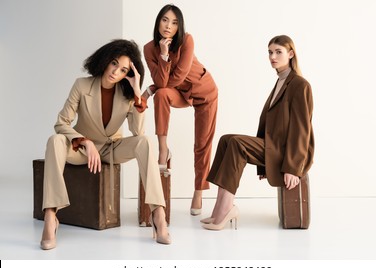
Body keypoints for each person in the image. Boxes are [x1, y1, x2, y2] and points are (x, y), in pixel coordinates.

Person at [40, 39, 171, 249]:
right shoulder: (81, 85)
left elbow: (138, 133)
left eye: (123, 70)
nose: (115, 72)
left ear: (128, 74)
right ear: (105, 60)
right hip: (83, 149)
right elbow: (61, 123)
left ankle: (158, 215)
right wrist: (84, 141)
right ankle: (50, 215)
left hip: (112, 149)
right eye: (114, 63)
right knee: (54, 140)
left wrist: (137, 92)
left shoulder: (128, 95)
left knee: (145, 142)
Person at [202, 35, 314, 230]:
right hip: (273, 146)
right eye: (270, 52)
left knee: (237, 144)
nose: (273, 56)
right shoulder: (280, 81)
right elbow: (268, 125)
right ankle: (219, 207)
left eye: (278, 52)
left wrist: (293, 167)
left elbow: (301, 129)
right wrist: (262, 166)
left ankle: (226, 209)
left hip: (286, 151)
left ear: (291, 54)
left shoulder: (299, 85)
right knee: (227, 140)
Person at [142, 4, 219, 216]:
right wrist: (164, 54)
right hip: (180, 93)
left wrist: (150, 88)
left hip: (204, 92)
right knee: (163, 95)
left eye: (174, 22)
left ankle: (198, 191)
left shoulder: (187, 40)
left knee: (202, 144)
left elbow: (178, 77)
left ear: (180, 26)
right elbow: (162, 82)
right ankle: (163, 148)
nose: (168, 26)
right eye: (165, 20)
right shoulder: (149, 48)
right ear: (158, 21)